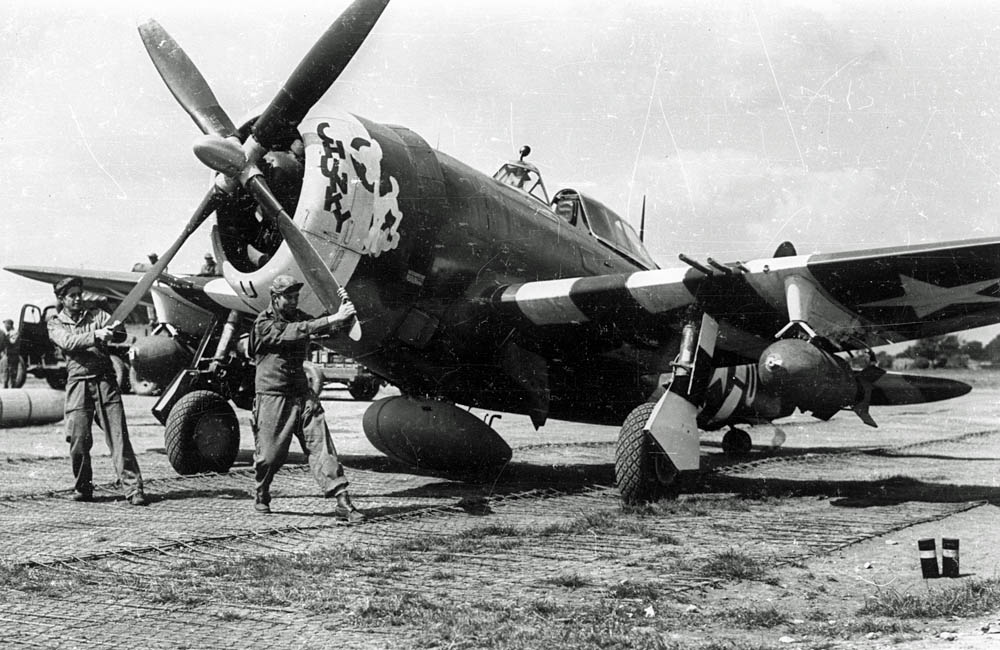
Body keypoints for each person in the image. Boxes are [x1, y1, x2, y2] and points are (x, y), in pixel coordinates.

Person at [248, 274, 362, 520]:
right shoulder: (263, 323)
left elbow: (328, 329)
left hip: (302, 394)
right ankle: (262, 491)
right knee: (269, 456)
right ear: (275, 298)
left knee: (322, 447)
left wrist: (344, 311)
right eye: (288, 297)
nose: (293, 301)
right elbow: (292, 332)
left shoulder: (299, 318)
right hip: (273, 396)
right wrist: (332, 318)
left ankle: (343, 501)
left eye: (295, 296)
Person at [47, 277, 148, 505]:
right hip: (78, 384)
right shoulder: (55, 323)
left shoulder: (98, 315)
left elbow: (120, 336)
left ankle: (134, 490)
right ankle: (83, 487)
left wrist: (115, 325)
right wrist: (96, 335)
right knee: (78, 440)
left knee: (119, 438)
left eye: (79, 293)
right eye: (72, 295)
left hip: (105, 383)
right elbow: (68, 342)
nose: (77, 298)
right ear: (62, 299)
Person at [0, 319, 19, 388]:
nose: (5, 326)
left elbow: (12, 342)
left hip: (13, 354)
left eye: (6, 325)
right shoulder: (8, 334)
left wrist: (5, 338)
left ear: (10, 325)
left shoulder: (15, 333)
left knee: (12, 371)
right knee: (5, 370)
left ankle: (12, 387)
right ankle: (5, 385)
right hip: (7, 354)